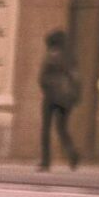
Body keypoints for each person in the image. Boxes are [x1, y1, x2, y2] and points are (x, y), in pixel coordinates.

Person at [36, 29, 81, 171]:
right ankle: (72, 153)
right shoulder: (70, 57)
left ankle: (45, 161)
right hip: (66, 99)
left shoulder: (50, 56)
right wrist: (75, 96)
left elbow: (42, 78)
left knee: (46, 129)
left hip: (50, 97)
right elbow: (77, 78)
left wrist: (47, 89)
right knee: (62, 128)